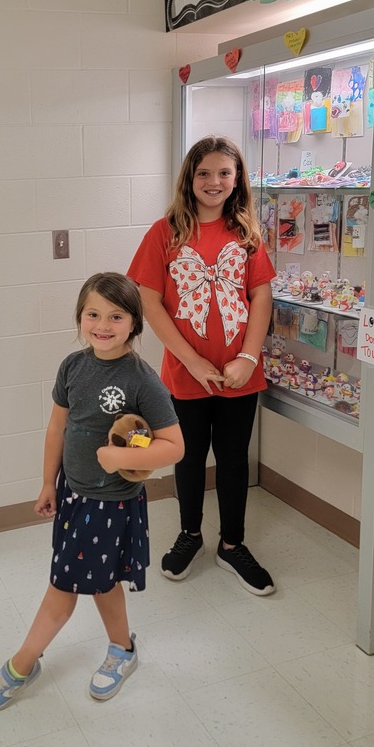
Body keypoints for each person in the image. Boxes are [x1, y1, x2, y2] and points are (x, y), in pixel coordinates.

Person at [0, 273, 184, 713]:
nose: (102, 325)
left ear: (134, 324)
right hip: (73, 493)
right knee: (103, 584)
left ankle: (22, 664)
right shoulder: (72, 366)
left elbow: (174, 446)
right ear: (80, 317)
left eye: (115, 316)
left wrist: (118, 456)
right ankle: (123, 649)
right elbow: (57, 427)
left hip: (110, 503)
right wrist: (49, 481)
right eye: (93, 314)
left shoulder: (142, 380)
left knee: (62, 587)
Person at [127, 136, 276, 596]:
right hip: (185, 376)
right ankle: (190, 534)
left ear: (237, 180)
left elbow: (261, 296)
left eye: (224, 173)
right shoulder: (164, 232)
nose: (214, 182)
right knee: (188, 458)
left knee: (233, 460)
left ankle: (232, 545)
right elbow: (149, 303)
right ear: (190, 178)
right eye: (205, 173)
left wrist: (247, 359)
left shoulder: (247, 233)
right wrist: (191, 362)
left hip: (239, 375)